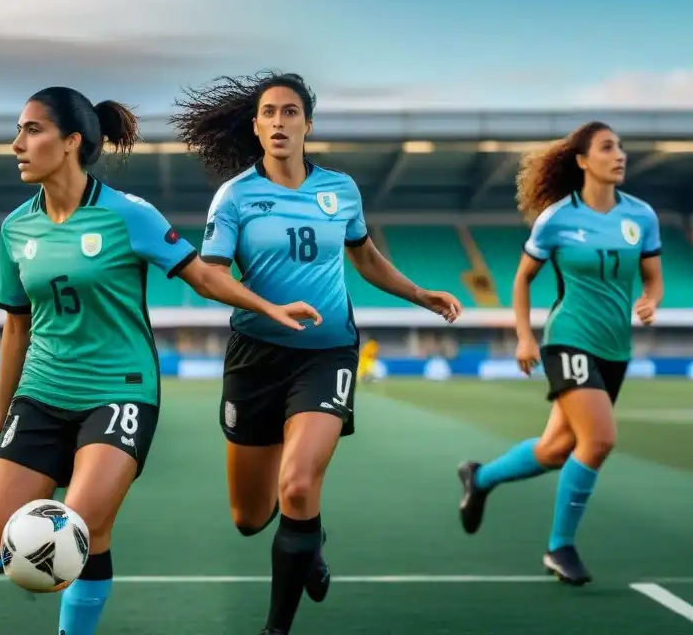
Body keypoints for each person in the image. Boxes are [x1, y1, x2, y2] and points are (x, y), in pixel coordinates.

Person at [0, 86, 322, 635]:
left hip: (119, 391)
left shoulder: (129, 215)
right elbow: (16, 326)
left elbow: (203, 276)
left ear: (72, 142)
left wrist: (267, 305)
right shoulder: (16, 229)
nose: (17, 143)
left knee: (72, 532)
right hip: (41, 393)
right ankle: (85, 529)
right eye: (19, 130)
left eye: (32, 130)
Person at [170, 71, 463, 635]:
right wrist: (269, 307)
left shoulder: (341, 190)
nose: (279, 122)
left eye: (290, 112)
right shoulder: (235, 196)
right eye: (269, 113)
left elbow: (367, 259)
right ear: (255, 127)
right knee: (250, 518)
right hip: (256, 355)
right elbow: (210, 276)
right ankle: (310, 536)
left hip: (326, 354)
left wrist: (420, 294)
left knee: (299, 483)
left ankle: (276, 627)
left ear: (308, 123)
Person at [456, 121, 664, 586]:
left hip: (616, 348)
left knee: (555, 449)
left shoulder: (642, 217)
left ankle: (480, 477)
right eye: (608, 147)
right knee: (599, 440)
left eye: (622, 147)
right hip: (568, 339)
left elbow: (652, 275)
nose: (620, 155)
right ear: (583, 161)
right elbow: (522, 279)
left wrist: (652, 299)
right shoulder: (557, 218)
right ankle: (559, 547)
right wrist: (525, 338)